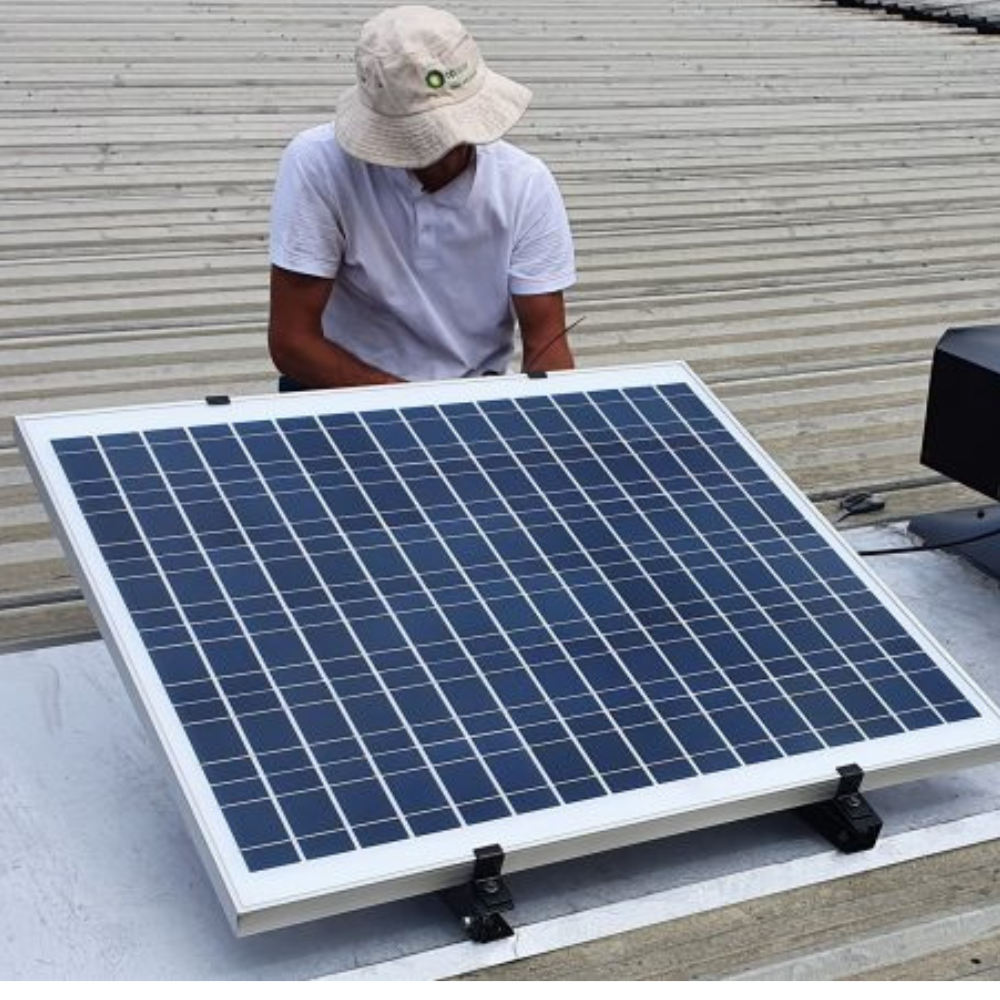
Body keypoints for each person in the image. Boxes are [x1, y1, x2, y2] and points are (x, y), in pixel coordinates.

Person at [267, 5, 577, 390]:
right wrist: (415, 411)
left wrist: (556, 415)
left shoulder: (526, 184)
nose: (443, 150)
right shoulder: (319, 164)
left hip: (472, 393)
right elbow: (292, 342)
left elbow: (546, 340)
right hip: (340, 387)